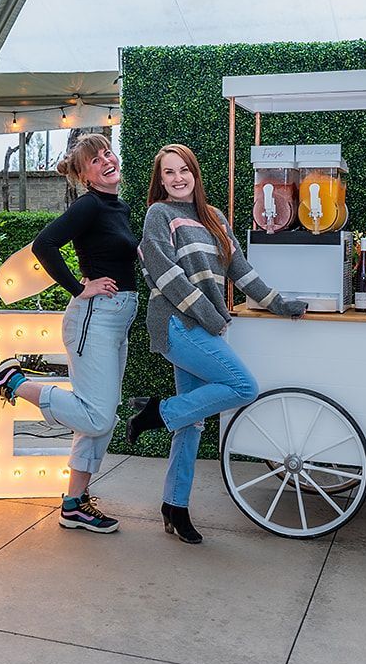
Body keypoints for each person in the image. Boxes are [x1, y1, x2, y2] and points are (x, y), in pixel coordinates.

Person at [126, 143, 307, 544]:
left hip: (200, 324)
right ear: (160, 181)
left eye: (183, 170)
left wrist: (282, 304)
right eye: (168, 173)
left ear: (195, 173)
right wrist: (211, 316)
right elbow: (165, 275)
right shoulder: (159, 215)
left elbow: (241, 271)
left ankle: (175, 506)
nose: (177, 178)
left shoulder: (214, 218)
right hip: (176, 323)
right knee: (244, 387)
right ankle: (157, 412)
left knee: (191, 426)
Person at [0, 133, 137, 534]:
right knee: (97, 416)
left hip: (116, 319)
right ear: (85, 177)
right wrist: (81, 288)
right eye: (95, 161)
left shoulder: (118, 206)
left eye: (107, 153)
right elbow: (44, 244)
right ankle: (14, 381)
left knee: (99, 419)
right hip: (94, 318)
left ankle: (75, 503)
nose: (106, 161)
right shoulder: (89, 206)